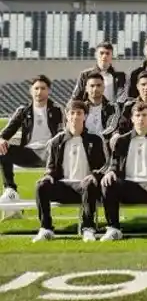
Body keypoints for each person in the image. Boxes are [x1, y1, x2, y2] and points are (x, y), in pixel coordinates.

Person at [33, 100, 106, 243]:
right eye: (72, 113)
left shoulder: (95, 140)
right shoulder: (57, 142)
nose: (75, 117)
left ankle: (88, 228)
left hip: (85, 188)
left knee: (90, 184)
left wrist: (94, 175)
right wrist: (48, 176)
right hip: (63, 186)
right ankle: (46, 229)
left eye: (79, 113)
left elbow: (103, 166)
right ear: (67, 116)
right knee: (41, 185)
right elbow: (51, 167)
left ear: (85, 116)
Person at [99, 100, 147, 242]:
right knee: (107, 183)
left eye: (144, 115)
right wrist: (111, 172)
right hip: (128, 186)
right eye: (137, 115)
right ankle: (113, 228)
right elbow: (113, 164)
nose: (141, 119)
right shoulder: (122, 140)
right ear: (132, 119)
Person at [0, 76, 64, 209]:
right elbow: (7, 132)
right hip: (28, 153)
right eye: (36, 88)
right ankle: (10, 190)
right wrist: (1, 139)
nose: (39, 92)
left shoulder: (57, 110)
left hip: (49, 153)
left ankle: (59, 189)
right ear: (31, 91)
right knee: (1, 148)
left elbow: (61, 133)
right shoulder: (23, 111)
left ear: (49, 91)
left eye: (43, 88)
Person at [81, 73, 116, 138]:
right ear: (86, 88)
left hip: (105, 143)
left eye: (98, 85)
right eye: (92, 86)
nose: (95, 89)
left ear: (104, 87)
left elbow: (112, 127)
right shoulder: (80, 108)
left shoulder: (113, 107)